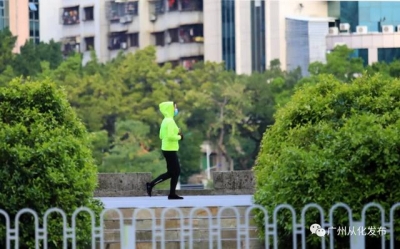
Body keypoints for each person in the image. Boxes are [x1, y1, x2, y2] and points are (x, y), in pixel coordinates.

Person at [146, 101, 184, 200]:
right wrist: (179, 136)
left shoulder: (165, 120)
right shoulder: (170, 121)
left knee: (174, 172)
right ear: (170, 109)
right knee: (175, 171)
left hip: (167, 148)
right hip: (170, 149)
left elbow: (161, 135)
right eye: (174, 107)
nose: (176, 109)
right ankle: (151, 184)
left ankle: (172, 193)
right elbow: (171, 136)